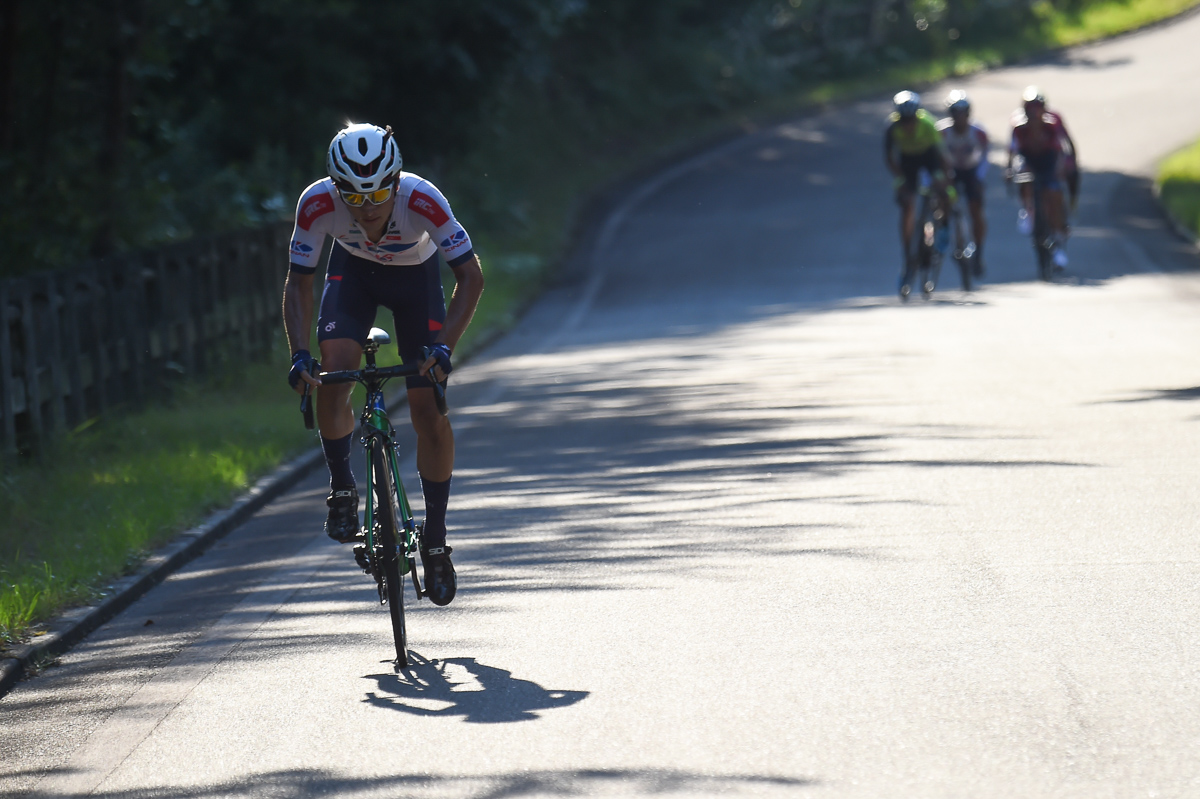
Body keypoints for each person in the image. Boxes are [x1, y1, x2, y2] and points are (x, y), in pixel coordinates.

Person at [282, 123, 484, 606]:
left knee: (427, 410)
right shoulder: (316, 203)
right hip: (354, 276)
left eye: (379, 195)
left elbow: (471, 279)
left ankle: (435, 540)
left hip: (416, 282)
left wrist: (444, 348)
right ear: (335, 188)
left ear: (396, 181)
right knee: (334, 370)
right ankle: (343, 490)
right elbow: (298, 284)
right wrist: (298, 353)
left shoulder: (423, 200)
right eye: (354, 197)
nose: (369, 207)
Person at [883, 90, 952, 290]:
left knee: (943, 191)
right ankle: (908, 251)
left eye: (911, 119)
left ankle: (943, 227)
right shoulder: (892, 128)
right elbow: (889, 158)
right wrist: (900, 179)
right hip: (908, 165)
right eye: (904, 119)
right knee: (907, 203)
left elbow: (942, 156)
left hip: (930, 161)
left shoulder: (928, 124)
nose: (908, 124)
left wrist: (945, 180)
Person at [1007, 86, 1076, 267]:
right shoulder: (1018, 127)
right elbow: (1013, 151)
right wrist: (1008, 170)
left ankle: (1058, 242)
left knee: (1053, 194)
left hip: (1048, 159)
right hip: (1029, 158)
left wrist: (1063, 168)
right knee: (1022, 178)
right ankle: (1028, 209)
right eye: (1030, 110)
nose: (1034, 114)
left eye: (1038, 109)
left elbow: (1059, 151)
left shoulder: (1052, 126)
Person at [936, 90, 990, 276]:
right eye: (955, 113)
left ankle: (979, 251)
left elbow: (984, 157)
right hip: (950, 171)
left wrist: (980, 178)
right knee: (943, 200)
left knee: (976, 210)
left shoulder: (979, 132)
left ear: (969, 113)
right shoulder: (941, 132)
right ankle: (942, 230)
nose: (959, 118)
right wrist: (939, 180)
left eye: (963, 113)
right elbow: (934, 159)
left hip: (971, 171)